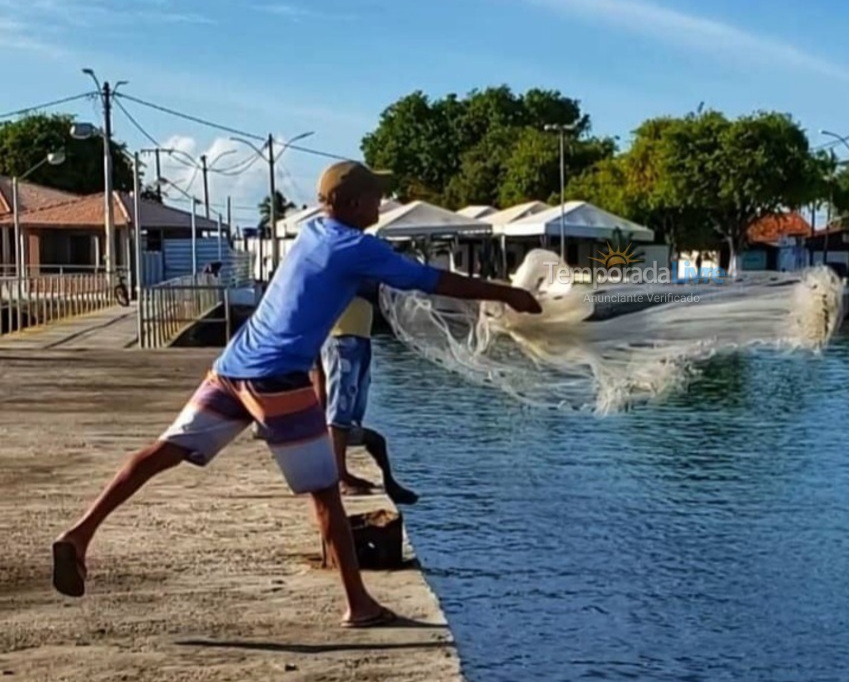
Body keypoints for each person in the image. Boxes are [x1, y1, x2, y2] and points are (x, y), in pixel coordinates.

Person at [51, 160, 541, 628]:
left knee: (164, 451)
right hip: (277, 379)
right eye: (375, 195)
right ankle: (359, 605)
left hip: (232, 368)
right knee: (325, 493)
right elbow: (434, 280)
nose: (382, 201)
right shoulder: (355, 245)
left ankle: (80, 532)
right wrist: (509, 294)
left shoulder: (311, 233)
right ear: (350, 203)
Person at [316, 291, 419, 503]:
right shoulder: (345, 261)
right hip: (341, 334)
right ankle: (339, 478)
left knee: (369, 433)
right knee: (340, 408)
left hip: (359, 334)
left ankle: (388, 483)